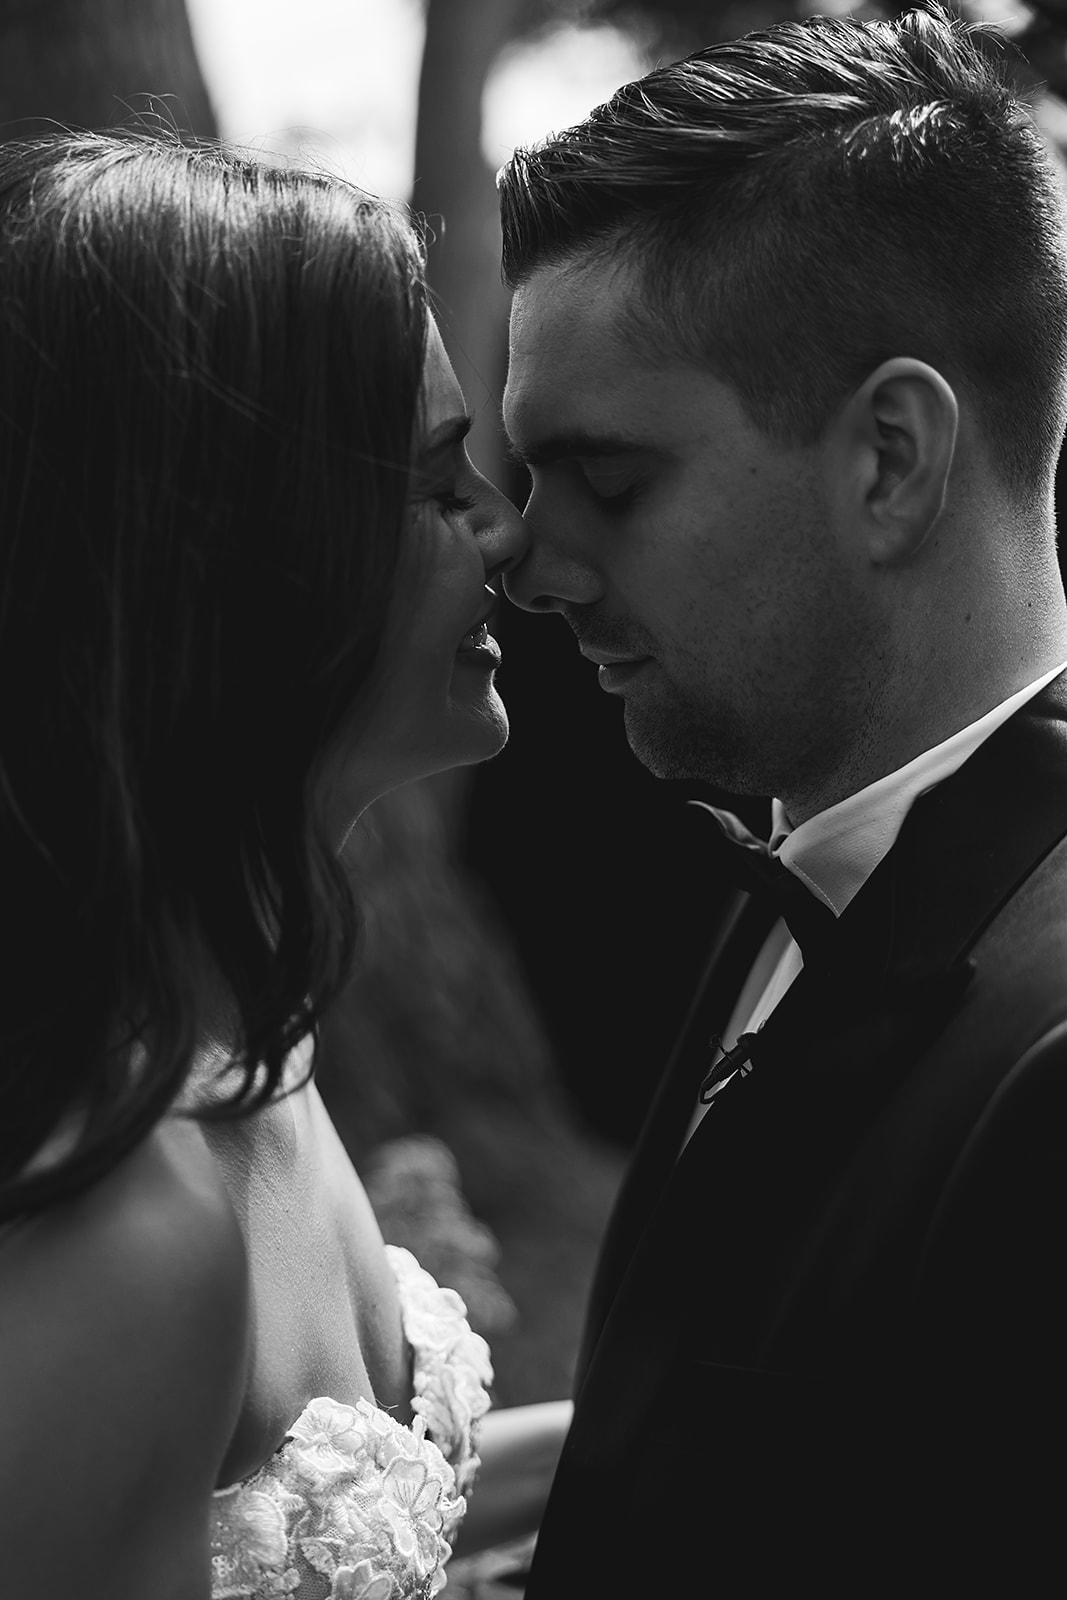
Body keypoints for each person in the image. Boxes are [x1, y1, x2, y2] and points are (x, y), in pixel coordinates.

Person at [497, 3, 1067, 1592]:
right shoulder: (806, 856)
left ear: (890, 456)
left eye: (608, 483)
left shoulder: (1053, 1058)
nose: (532, 565)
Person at [0, 128, 571, 1600]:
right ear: (241, 550)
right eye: (440, 482)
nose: (507, 531)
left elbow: (334, 1501)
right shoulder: (123, 1229)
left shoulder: (253, 1026)